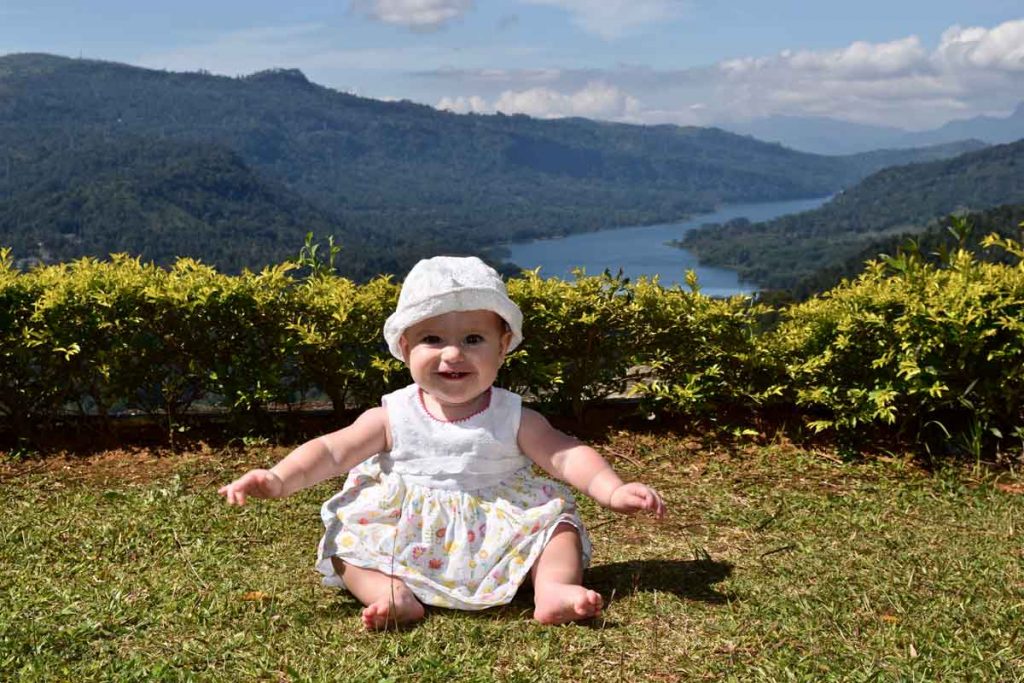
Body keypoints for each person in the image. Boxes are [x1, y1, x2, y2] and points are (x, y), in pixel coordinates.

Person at [219, 256, 666, 629]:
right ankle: (392, 594)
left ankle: (553, 589)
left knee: (557, 530)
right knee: (347, 546)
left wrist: (611, 488)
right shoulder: (392, 415)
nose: (453, 354)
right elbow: (333, 450)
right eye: (433, 339)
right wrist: (278, 478)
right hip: (410, 531)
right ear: (406, 345)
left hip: (501, 526)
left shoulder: (513, 416)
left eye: (473, 339)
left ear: (503, 345)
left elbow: (565, 453)